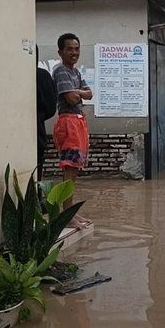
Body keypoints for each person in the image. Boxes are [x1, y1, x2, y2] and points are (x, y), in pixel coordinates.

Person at [52, 33, 92, 229]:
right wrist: (80, 93)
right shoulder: (60, 71)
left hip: (79, 122)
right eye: (70, 49)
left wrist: (80, 93)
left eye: (77, 48)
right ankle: (66, 216)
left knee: (74, 169)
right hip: (68, 122)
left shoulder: (75, 72)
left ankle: (69, 213)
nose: (74, 52)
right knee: (69, 169)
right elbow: (71, 99)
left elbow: (89, 93)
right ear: (61, 52)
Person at [36, 46, 57, 180]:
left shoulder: (42, 76)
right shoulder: (42, 75)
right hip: (38, 134)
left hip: (37, 134)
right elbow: (50, 108)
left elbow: (50, 106)